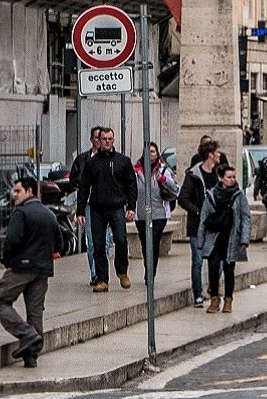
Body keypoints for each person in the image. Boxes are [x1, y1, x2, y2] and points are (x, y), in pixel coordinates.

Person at [0, 176, 58, 367]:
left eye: (18, 191)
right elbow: (59, 243)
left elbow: (11, 240)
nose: (14, 195)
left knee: (0, 301)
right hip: (43, 269)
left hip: (22, 267)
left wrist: (7, 260)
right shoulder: (49, 214)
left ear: (29, 192)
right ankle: (31, 356)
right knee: (35, 312)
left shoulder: (20, 213)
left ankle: (28, 335)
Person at [73, 126, 138, 293]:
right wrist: (80, 211)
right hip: (97, 209)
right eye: (104, 139)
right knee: (98, 244)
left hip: (117, 207)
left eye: (110, 139)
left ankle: (122, 271)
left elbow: (131, 185)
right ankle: (102, 279)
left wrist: (131, 207)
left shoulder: (123, 161)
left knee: (121, 240)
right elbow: (84, 187)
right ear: (99, 141)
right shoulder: (91, 163)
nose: (107, 142)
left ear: (113, 140)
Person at [199, 162, 251, 314]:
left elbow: (246, 217)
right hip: (214, 237)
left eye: (234, 177)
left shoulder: (239, 195)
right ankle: (214, 298)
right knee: (213, 269)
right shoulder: (211, 195)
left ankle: (229, 299)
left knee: (229, 270)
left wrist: (245, 240)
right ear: (221, 178)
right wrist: (201, 241)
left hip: (232, 237)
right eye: (229, 177)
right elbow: (204, 217)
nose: (232, 180)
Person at [175, 142, 219, 307]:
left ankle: (212, 289)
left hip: (215, 225)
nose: (219, 156)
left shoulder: (218, 173)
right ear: (210, 155)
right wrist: (198, 211)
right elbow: (182, 198)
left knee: (218, 262)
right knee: (198, 261)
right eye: (217, 153)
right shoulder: (193, 175)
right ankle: (198, 295)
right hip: (197, 226)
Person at [133, 141, 177, 277]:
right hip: (141, 214)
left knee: (154, 240)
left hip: (159, 213)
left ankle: (151, 273)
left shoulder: (164, 169)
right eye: (148, 151)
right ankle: (148, 267)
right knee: (145, 243)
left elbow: (176, 189)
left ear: (157, 154)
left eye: (153, 151)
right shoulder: (136, 171)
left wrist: (163, 180)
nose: (150, 154)